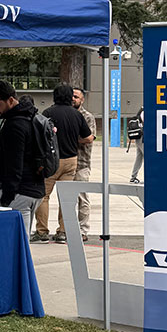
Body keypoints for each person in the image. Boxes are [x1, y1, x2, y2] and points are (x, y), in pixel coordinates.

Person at [33, 83, 94, 243]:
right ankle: (62, 232)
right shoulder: (76, 115)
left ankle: (42, 232)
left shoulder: (48, 113)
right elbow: (88, 137)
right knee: (66, 197)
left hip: (52, 160)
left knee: (44, 196)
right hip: (71, 161)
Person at [0, 80, 45, 237]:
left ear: (10, 100)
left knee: (16, 242)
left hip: (19, 192)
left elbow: (14, 164)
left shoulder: (15, 125)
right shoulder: (31, 116)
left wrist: (6, 198)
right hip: (35, 189)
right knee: (21, 240)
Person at [72, 88, 96, 242]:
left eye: (76, 96)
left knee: (82, 198)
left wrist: (70, 139)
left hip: (82, 163)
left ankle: (83, 230)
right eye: (71, 96)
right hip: (66, 163)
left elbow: (90, 138)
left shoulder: (87, 117)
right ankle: (66, 229)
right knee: (67, 199)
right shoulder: (67, 114)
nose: (73, 99)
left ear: (82, 100)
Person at [130, 106, 144, 183]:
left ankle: (133, 176)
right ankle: (148, 176)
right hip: (142, 137)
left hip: (138, 137)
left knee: (139, 157)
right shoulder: (144, 111)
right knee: (147, 157)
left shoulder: (141, 110)